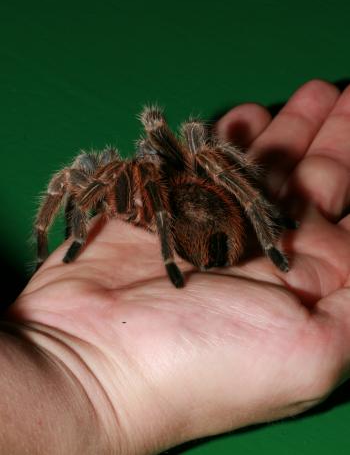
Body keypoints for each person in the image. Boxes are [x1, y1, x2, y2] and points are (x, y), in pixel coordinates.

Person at [1, 79, 349, 454]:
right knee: (86, 171)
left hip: (203, 225)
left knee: (189, 144)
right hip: (198, 228)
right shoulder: (133, 183)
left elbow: (182, 160)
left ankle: (259, 225)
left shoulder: (161, 181)